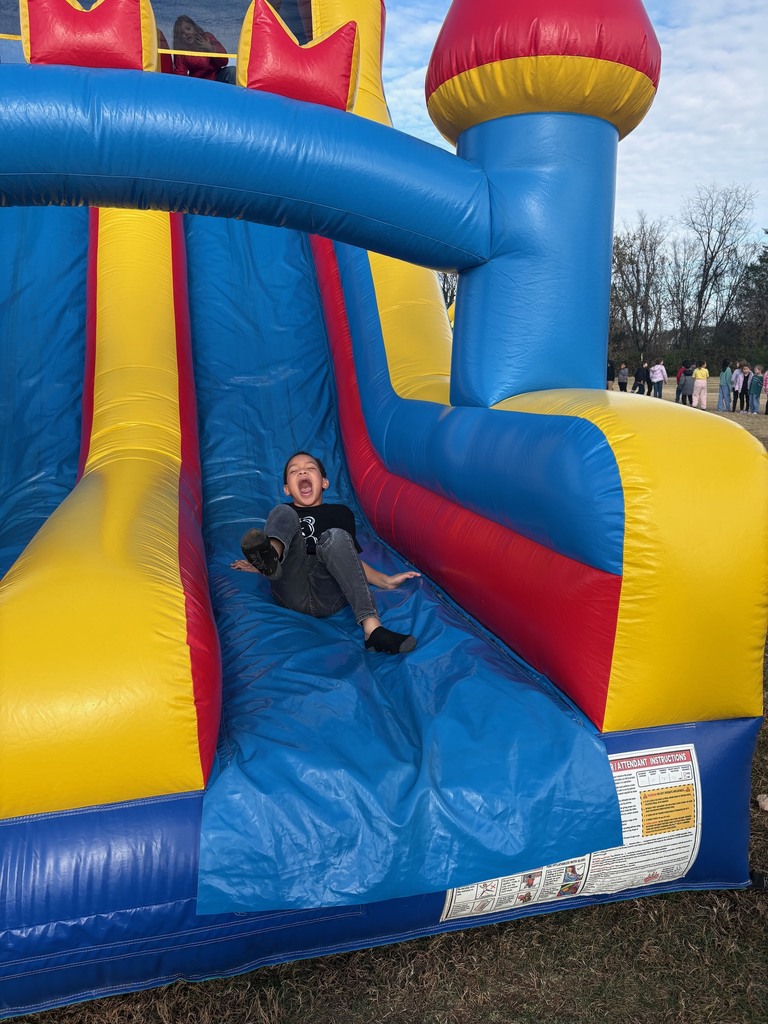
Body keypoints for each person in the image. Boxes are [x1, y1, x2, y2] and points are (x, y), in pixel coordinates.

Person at [231, 452, 420, 654]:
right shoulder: (283, 513)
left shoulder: (340, 512)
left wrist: (384, 580)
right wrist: (258, 565)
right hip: (291, 583)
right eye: (294, 471)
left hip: (328, 588)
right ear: (287, 489)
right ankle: (271, 559)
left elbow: (349, 561)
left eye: (310, 468)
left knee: (336, 536)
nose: (302, 470)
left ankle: (373, 630)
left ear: (324, 482)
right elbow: (283, 529)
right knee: (283, 512)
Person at [173, 15, 236, 83]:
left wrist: (211, 49)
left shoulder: (207, 37)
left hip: (217, 78)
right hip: (198, 83)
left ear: (194, 29)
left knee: (231, 71)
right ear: (180, 37)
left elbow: (224, 61)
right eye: (182, 33)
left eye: (188, 29)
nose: (187, 33)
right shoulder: (181, 51)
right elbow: (180, 75)